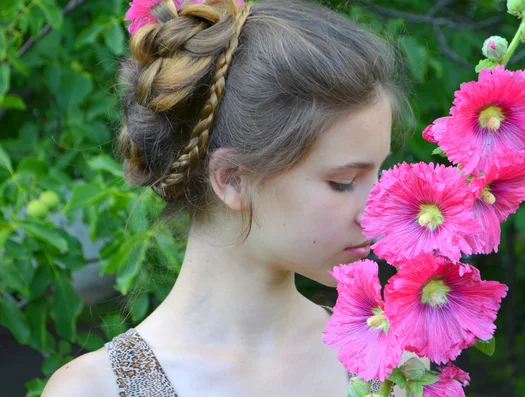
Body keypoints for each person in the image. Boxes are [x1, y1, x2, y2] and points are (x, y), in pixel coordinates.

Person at [42, 0, 427, 395]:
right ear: (233, 180)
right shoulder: (95, 389)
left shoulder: (393, 362)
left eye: (378, 174)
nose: (379, 215)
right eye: (344, 182)